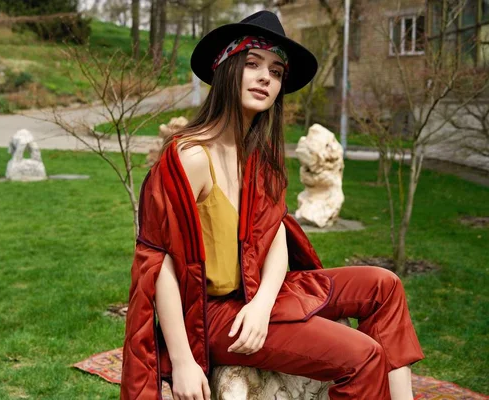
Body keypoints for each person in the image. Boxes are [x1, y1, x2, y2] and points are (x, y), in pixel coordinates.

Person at [121, 10, 425, 400]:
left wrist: (263, 304)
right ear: (226, 70)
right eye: (253, 64)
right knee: (363, 356)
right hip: (212, 314)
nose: (267, 77)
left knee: (385, 285)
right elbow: (156, 261)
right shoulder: (191, 156)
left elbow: (276, 232)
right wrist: (183, 361)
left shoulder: (257, 157)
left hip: (256, 293)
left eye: (277, 71)